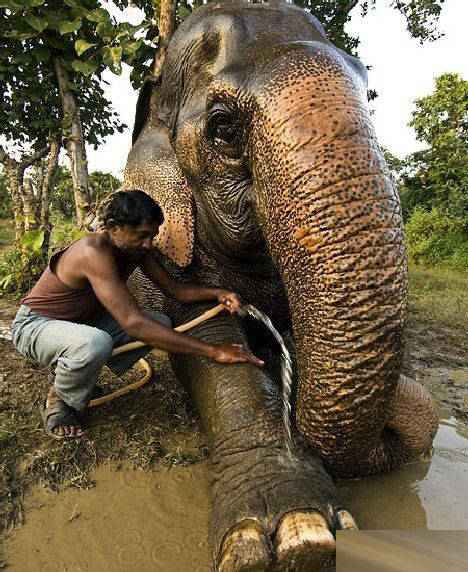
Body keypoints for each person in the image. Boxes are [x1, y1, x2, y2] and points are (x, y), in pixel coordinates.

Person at [11, 190, 263, 440]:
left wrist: (217, 293)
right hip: (35, 325)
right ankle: (59, 399)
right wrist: (214, 351)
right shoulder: (93, 251)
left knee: (159, 323)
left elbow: (175, 290)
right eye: (142, 235)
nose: (148, 244)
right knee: (95, 344)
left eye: (152, 236)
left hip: (81, 324)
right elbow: (133, 324)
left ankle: (78, 372)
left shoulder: (136, 251)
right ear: (113, 227)